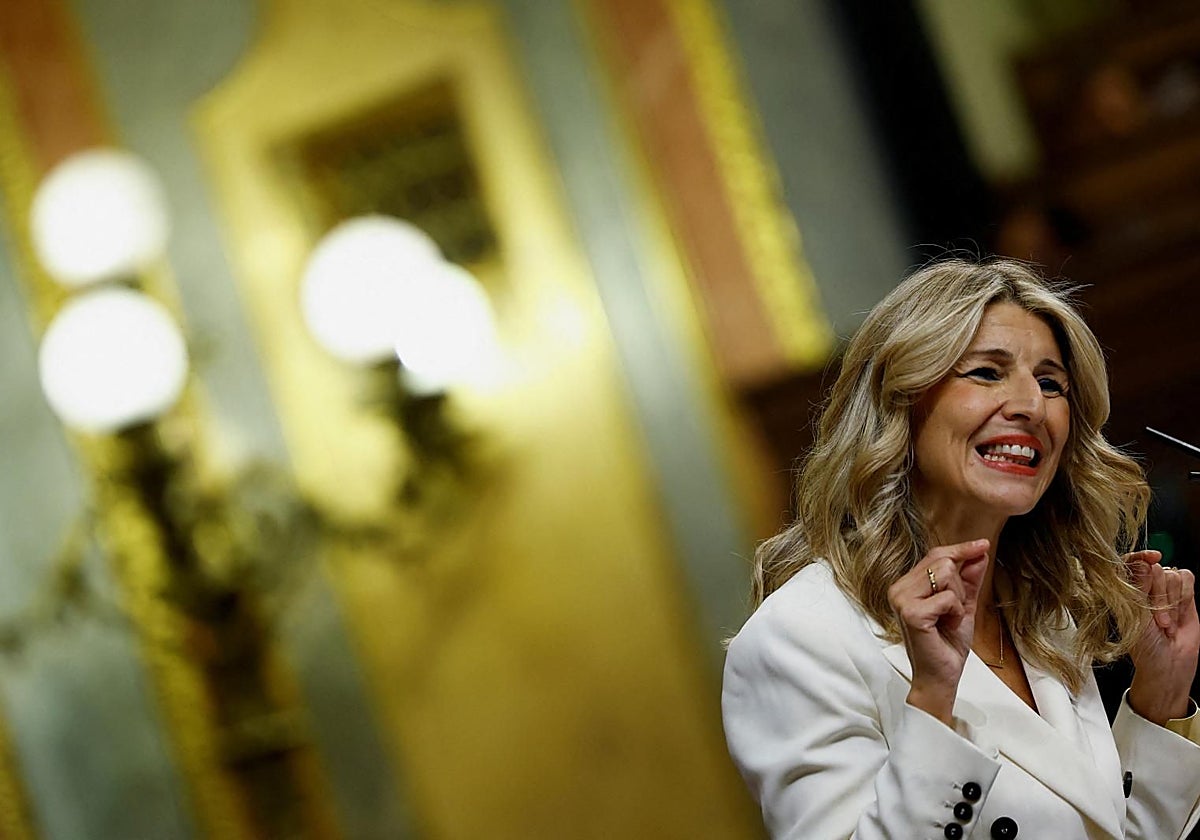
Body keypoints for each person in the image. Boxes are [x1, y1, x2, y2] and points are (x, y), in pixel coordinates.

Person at [722, 258, 1200, 839]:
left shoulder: (1046, 613)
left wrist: (1160, 696)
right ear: (900, 401)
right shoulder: (798, 637)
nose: (1031, 405)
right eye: (986, 373)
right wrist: (931, 699)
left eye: (1051, 383)